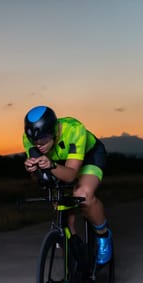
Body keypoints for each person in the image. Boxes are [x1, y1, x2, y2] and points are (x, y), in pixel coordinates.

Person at [22, 105, 112, 267]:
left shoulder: (74, 130)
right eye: (34, 141)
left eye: (43, 139)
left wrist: (50, 165)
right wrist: (32, 169)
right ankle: (72, 277)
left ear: (55, 131)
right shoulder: (30, 140)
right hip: (57, 163)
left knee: (83, 195)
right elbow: (41, 179)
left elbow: (71, 175)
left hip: (89, 157)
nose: (38, 145)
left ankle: (103, 235)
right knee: (63, 221)